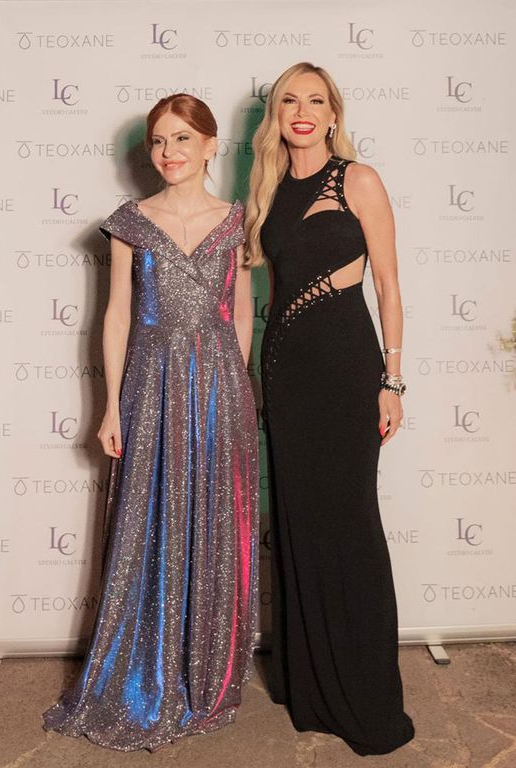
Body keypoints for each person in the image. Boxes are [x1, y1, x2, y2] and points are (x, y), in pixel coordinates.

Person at [43, 94, 259, 752]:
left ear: (210, 145)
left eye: (182, 139)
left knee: (214, 524)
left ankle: (205, 672)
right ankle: (144, 675)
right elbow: (114, 317)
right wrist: (110, 405)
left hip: (219, 391)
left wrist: (237, 392)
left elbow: (240, 312)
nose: (169, 152)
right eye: (159, 141)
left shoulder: (237, 221)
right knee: (148, 521)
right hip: (150, 386)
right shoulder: (130, 223)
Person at [245, 62, 414, 755]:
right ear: (276, 115)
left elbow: (388, 285)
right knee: (298, 522)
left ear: (333, 114)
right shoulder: (266, 191)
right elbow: (260, 290)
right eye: (290, 99)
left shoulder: (357, 179)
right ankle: (309, 684)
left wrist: (391, 380)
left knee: (351, 524)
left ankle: (365, 693)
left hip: (347, 371)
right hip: (285, 372)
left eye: (316, 100)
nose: (302, 110)